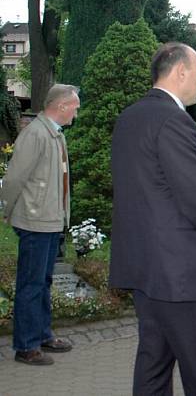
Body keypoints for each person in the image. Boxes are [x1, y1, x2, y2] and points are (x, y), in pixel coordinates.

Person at [109, 43, 196, 394]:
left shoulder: (129, 117)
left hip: (145, 268)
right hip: (180, 271)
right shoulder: (175, 121)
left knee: (153, 365)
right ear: (180, 72)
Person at [2, 84, 79, 366]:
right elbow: (13, 179)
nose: (76, 112)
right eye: (74, 107)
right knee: (31, 285)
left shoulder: (55, 135)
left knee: (42, 282)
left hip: (49, 222)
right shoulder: (35, 134)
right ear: (60, 106)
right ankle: (26, 346)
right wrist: (7, 210)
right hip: (35, 222)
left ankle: (43, 334)